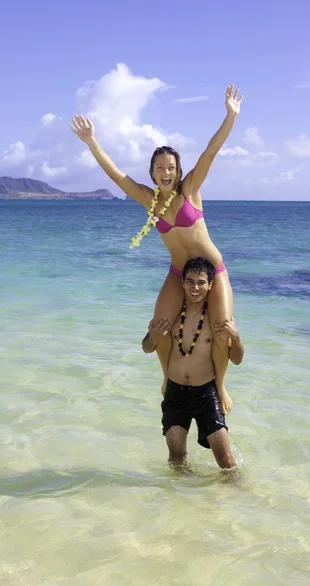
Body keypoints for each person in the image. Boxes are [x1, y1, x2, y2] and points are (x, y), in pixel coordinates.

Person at [71, 84, 244, 415]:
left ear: (178, 171)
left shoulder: (190, 190)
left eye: (171, 167)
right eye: (160, 168)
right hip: (179, 272)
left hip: (213, 271)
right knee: (159, 325)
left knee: (223, 331)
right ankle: (168, 379)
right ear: (152, 172)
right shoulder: (148, 200)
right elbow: (116, 175)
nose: (166, 172)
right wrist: (91, 141)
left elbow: (210, 150)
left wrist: (230, 116)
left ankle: (220, 385)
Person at [142, 257, 243, 468]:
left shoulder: (216, 320)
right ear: (182, 283)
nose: (195, 287)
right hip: (175, 393)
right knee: (176, 459)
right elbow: (147, 348)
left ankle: (240, 498)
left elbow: (236, 359)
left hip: (206, 394)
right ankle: (184, 499)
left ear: (210, 285)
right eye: (190, 281)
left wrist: (237, 337)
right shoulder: (172, 316)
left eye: (201, 282)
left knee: (226, 461)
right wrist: (153, 336)